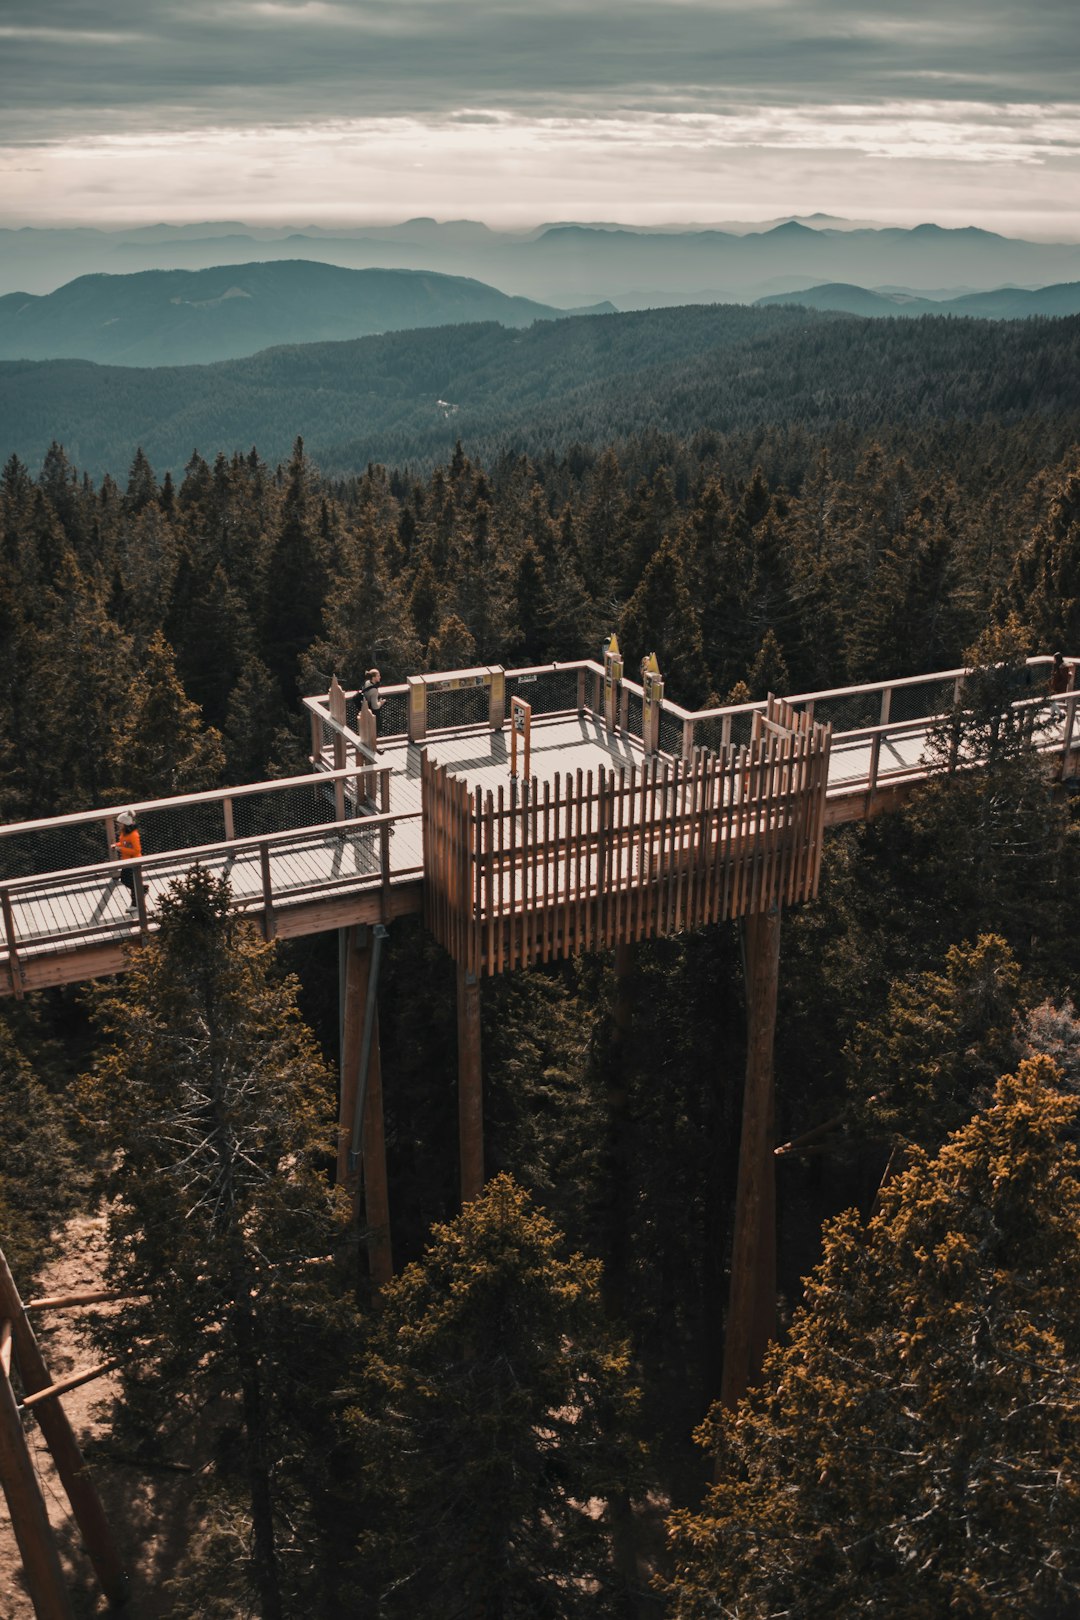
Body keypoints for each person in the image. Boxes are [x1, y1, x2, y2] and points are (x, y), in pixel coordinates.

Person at [112, 809, 142, 915]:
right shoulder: (124, 833)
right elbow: (124, 844)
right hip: (127, 861)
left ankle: (136, 904)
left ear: (124, 824)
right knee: (125, 880)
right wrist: (118, 845)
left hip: (134, 862)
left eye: (119, 823)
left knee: (132, 883)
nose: (118, 825)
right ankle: (142, 889)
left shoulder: (133, 835)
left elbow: (136, 850)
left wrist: (120, 849)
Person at [360, 667, 384, 754]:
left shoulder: (367, 683)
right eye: (378, 676)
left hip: (365, 709)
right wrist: (381, 703)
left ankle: (369, 745)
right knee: (376, 728)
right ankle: (373, 746)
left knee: (368, 728)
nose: (380, 677)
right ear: (373, 677)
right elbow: (375, 706)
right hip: (373, 712)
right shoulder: (374, 690)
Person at [1048, 651, 1073, 721]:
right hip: (1055, 687)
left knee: (1051, 701)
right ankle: (1052, 714)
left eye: (1054, 659)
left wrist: (1057, 687)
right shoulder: (1057, 666)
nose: (1053, 660)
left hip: (1059, 688)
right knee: (1052, 701)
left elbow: (1064, 679)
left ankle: (1060, 714)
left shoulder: (1062, 667)